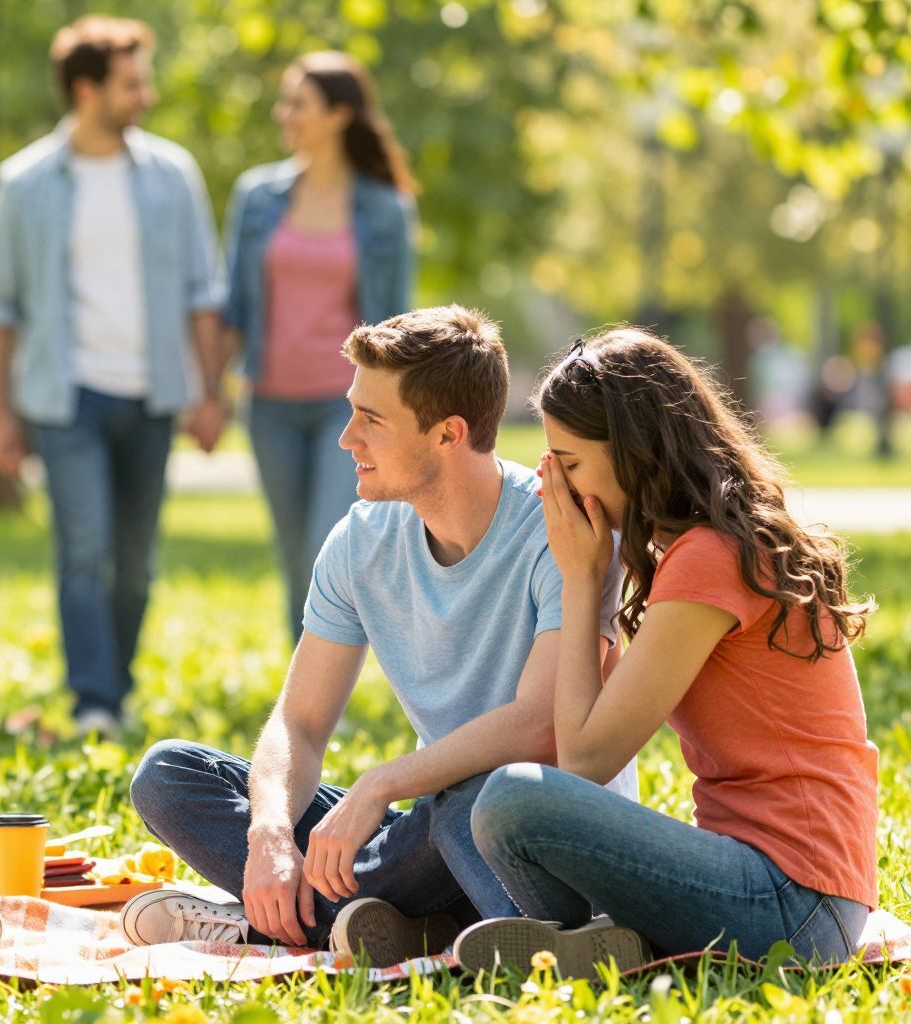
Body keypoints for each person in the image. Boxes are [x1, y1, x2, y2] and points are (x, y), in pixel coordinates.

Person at [124, 307, 636, 967]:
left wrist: (379, 786)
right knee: (168, 775)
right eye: (351, 410)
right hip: (426, 835)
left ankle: (353, 923)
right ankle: (424, 923)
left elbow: (543, 727)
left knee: (476, 800)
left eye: (372, 419)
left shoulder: (557, 529)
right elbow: (301, 723)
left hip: (538, 822)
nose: (346, 438)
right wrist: (271, 833)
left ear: (448, 434)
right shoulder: (361, 542)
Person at [458, 329, 878, 977]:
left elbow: (585, 757)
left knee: (511, 799)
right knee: (488, 800)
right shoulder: (709, 544)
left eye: (569, 465)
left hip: (795, 906)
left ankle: (587, 939)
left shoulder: (711, 558)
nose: (553, 490)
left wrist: (581, 581)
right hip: (792, 892)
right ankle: (599, 943)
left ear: (634, 453)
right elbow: (585, 740)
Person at [0, 15, 224, 737]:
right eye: (131, 81)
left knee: (136, 562)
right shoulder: (21, 184)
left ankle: (118, 684)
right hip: (64, 396)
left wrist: (211, 391)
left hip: (152, 395)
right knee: (84, 550)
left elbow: (203, 292)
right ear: (86, 89)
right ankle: (94, 700)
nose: (145, 94)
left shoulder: (173, 175)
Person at [222, 51, 418, 643]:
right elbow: (234, 305)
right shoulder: (257, 196)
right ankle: (302, 690)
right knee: (292, 556)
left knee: (327, 545)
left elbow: (397, 320)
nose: (284, 115)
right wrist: (209, 392)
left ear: (337, 115)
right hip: (270, 401)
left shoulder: (385, 209)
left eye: (296, 104)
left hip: (347, 404)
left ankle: (331, 685)